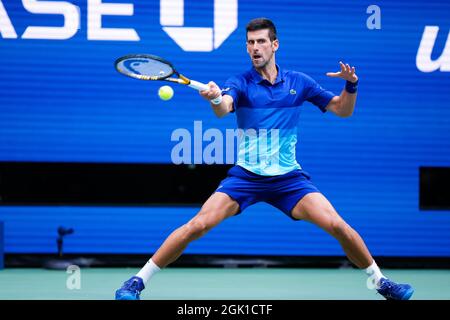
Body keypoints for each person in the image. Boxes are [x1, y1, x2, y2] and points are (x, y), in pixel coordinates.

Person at [115, 18, 414, 300]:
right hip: (246, 177)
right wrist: (217, 97)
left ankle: (381, 282)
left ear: (275, 45)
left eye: (260, 41)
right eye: (249, 43)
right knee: (198, 225)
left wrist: (351, 86)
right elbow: (224, 107)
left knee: (338, 226)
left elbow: (342, 109)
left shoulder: (299, 82)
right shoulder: (241, 82)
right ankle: (137, 281)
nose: (254, 48)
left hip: (289, 180)